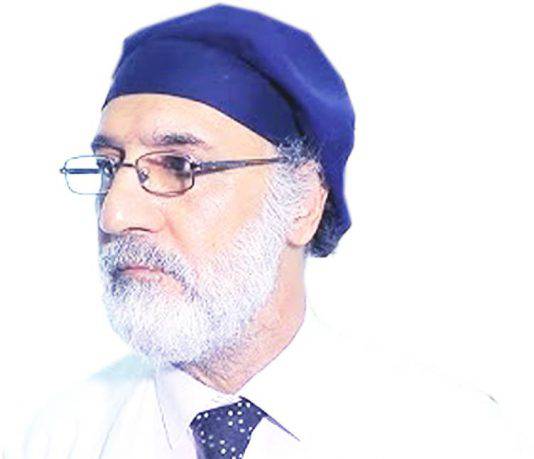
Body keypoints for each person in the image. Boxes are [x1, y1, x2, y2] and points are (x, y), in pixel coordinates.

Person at [4, 4, 527, 458]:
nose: (114, 215)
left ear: (302, 202)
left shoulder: (447, 435)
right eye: (107, 167)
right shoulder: (62, 436)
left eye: (179, 166)